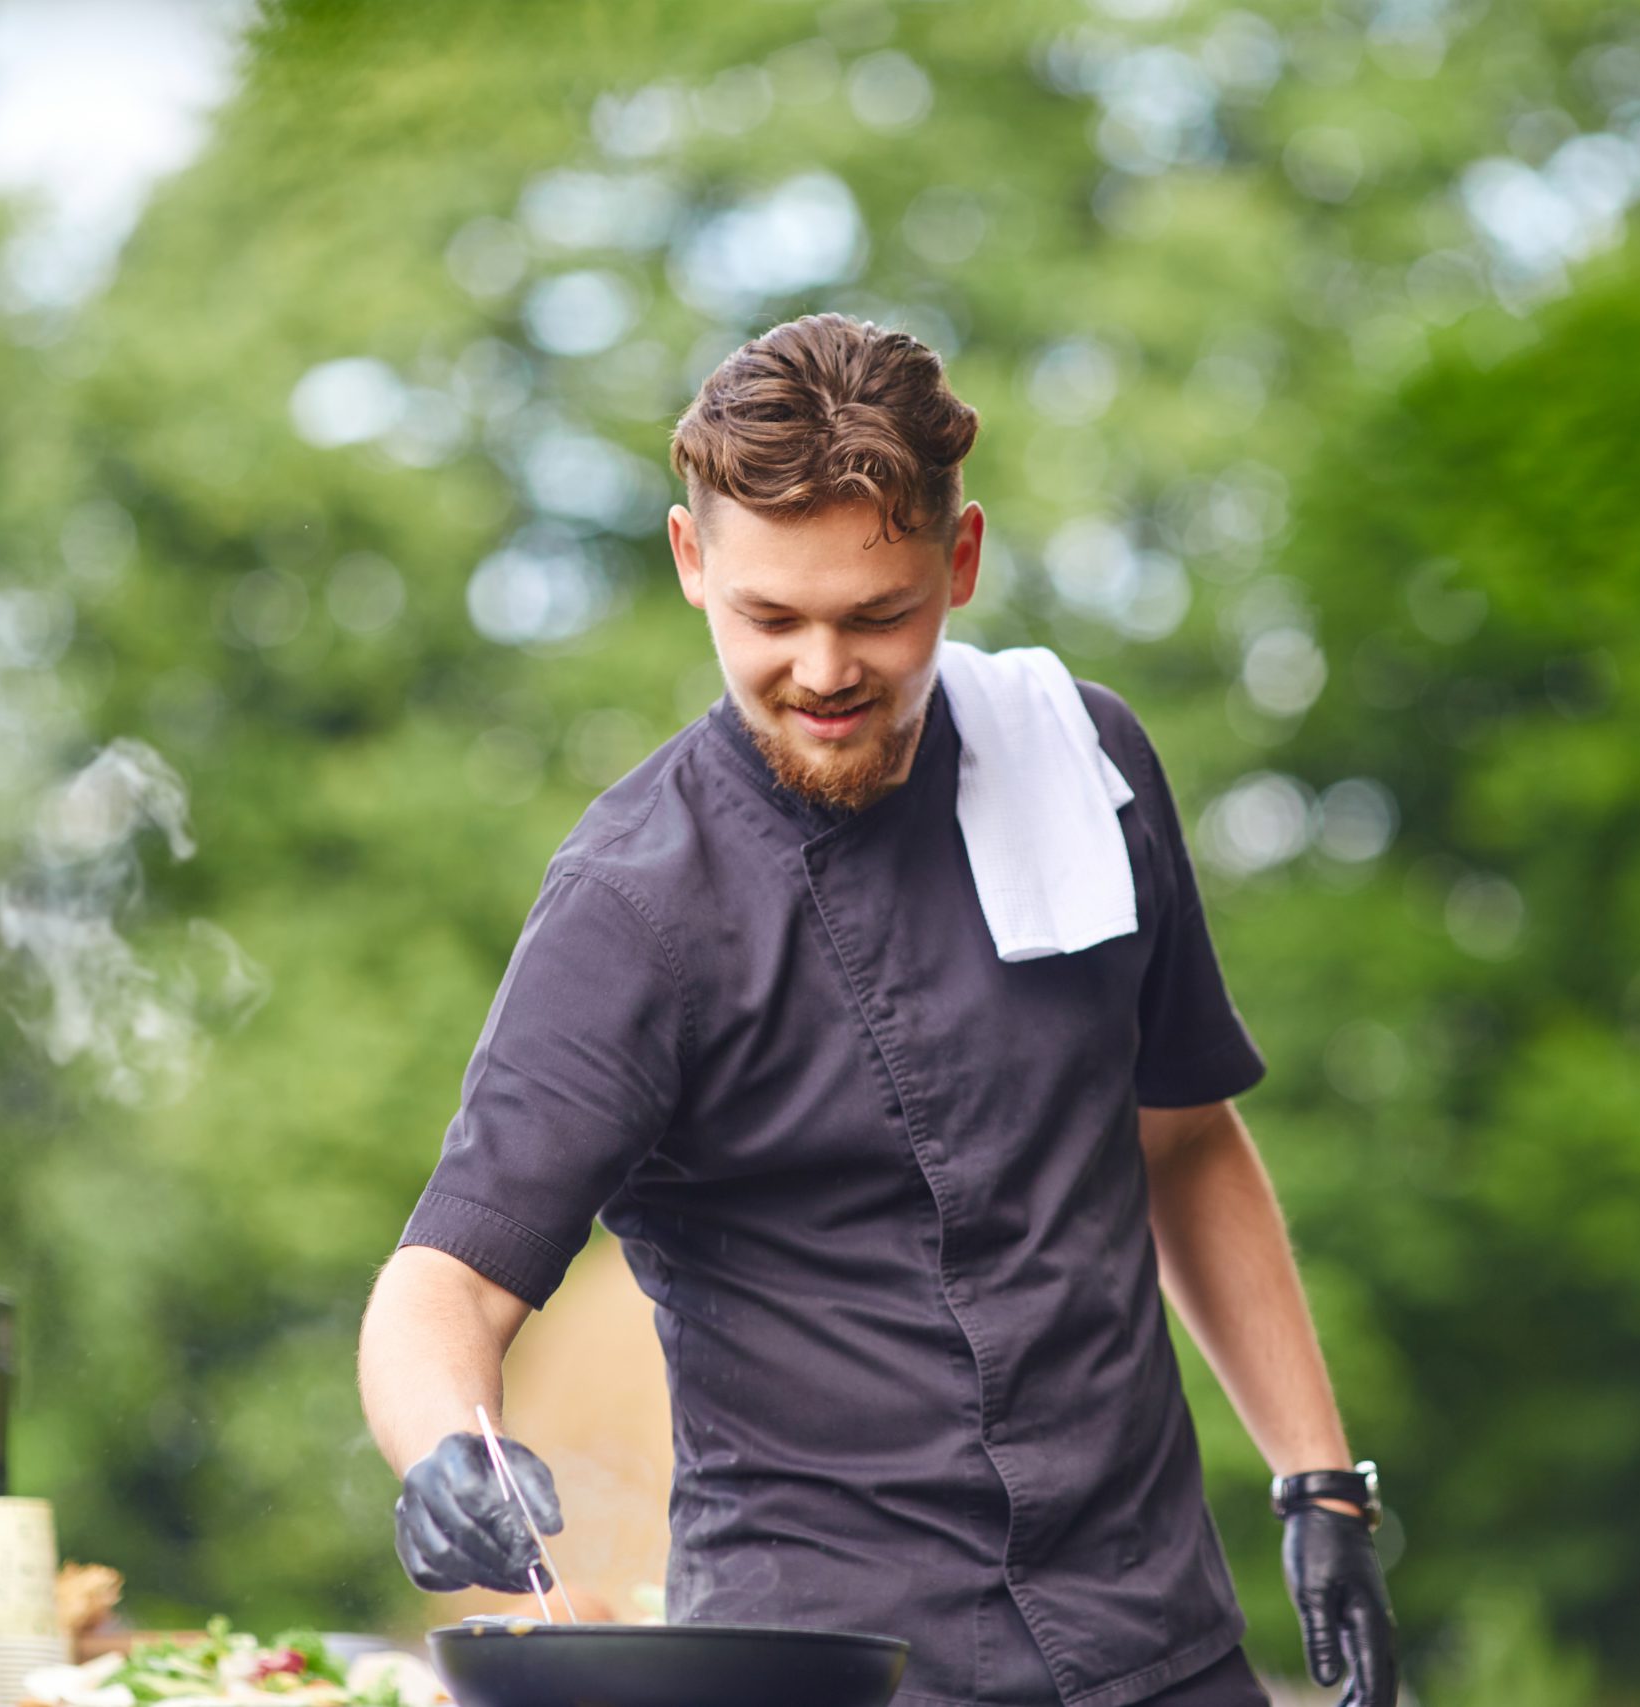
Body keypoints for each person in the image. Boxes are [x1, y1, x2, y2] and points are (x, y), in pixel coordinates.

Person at [356, 313, 1395, 1707]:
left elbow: (1186, 1140)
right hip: (832, 1666)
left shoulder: (1085, 767)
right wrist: (444, 1449)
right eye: (770, 619)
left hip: (1155, 1636)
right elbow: (447, 1283)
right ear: (691, 561)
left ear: (959, 562)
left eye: (878, 615)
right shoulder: (634, 907)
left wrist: (1318, 1481)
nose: (825, 670)